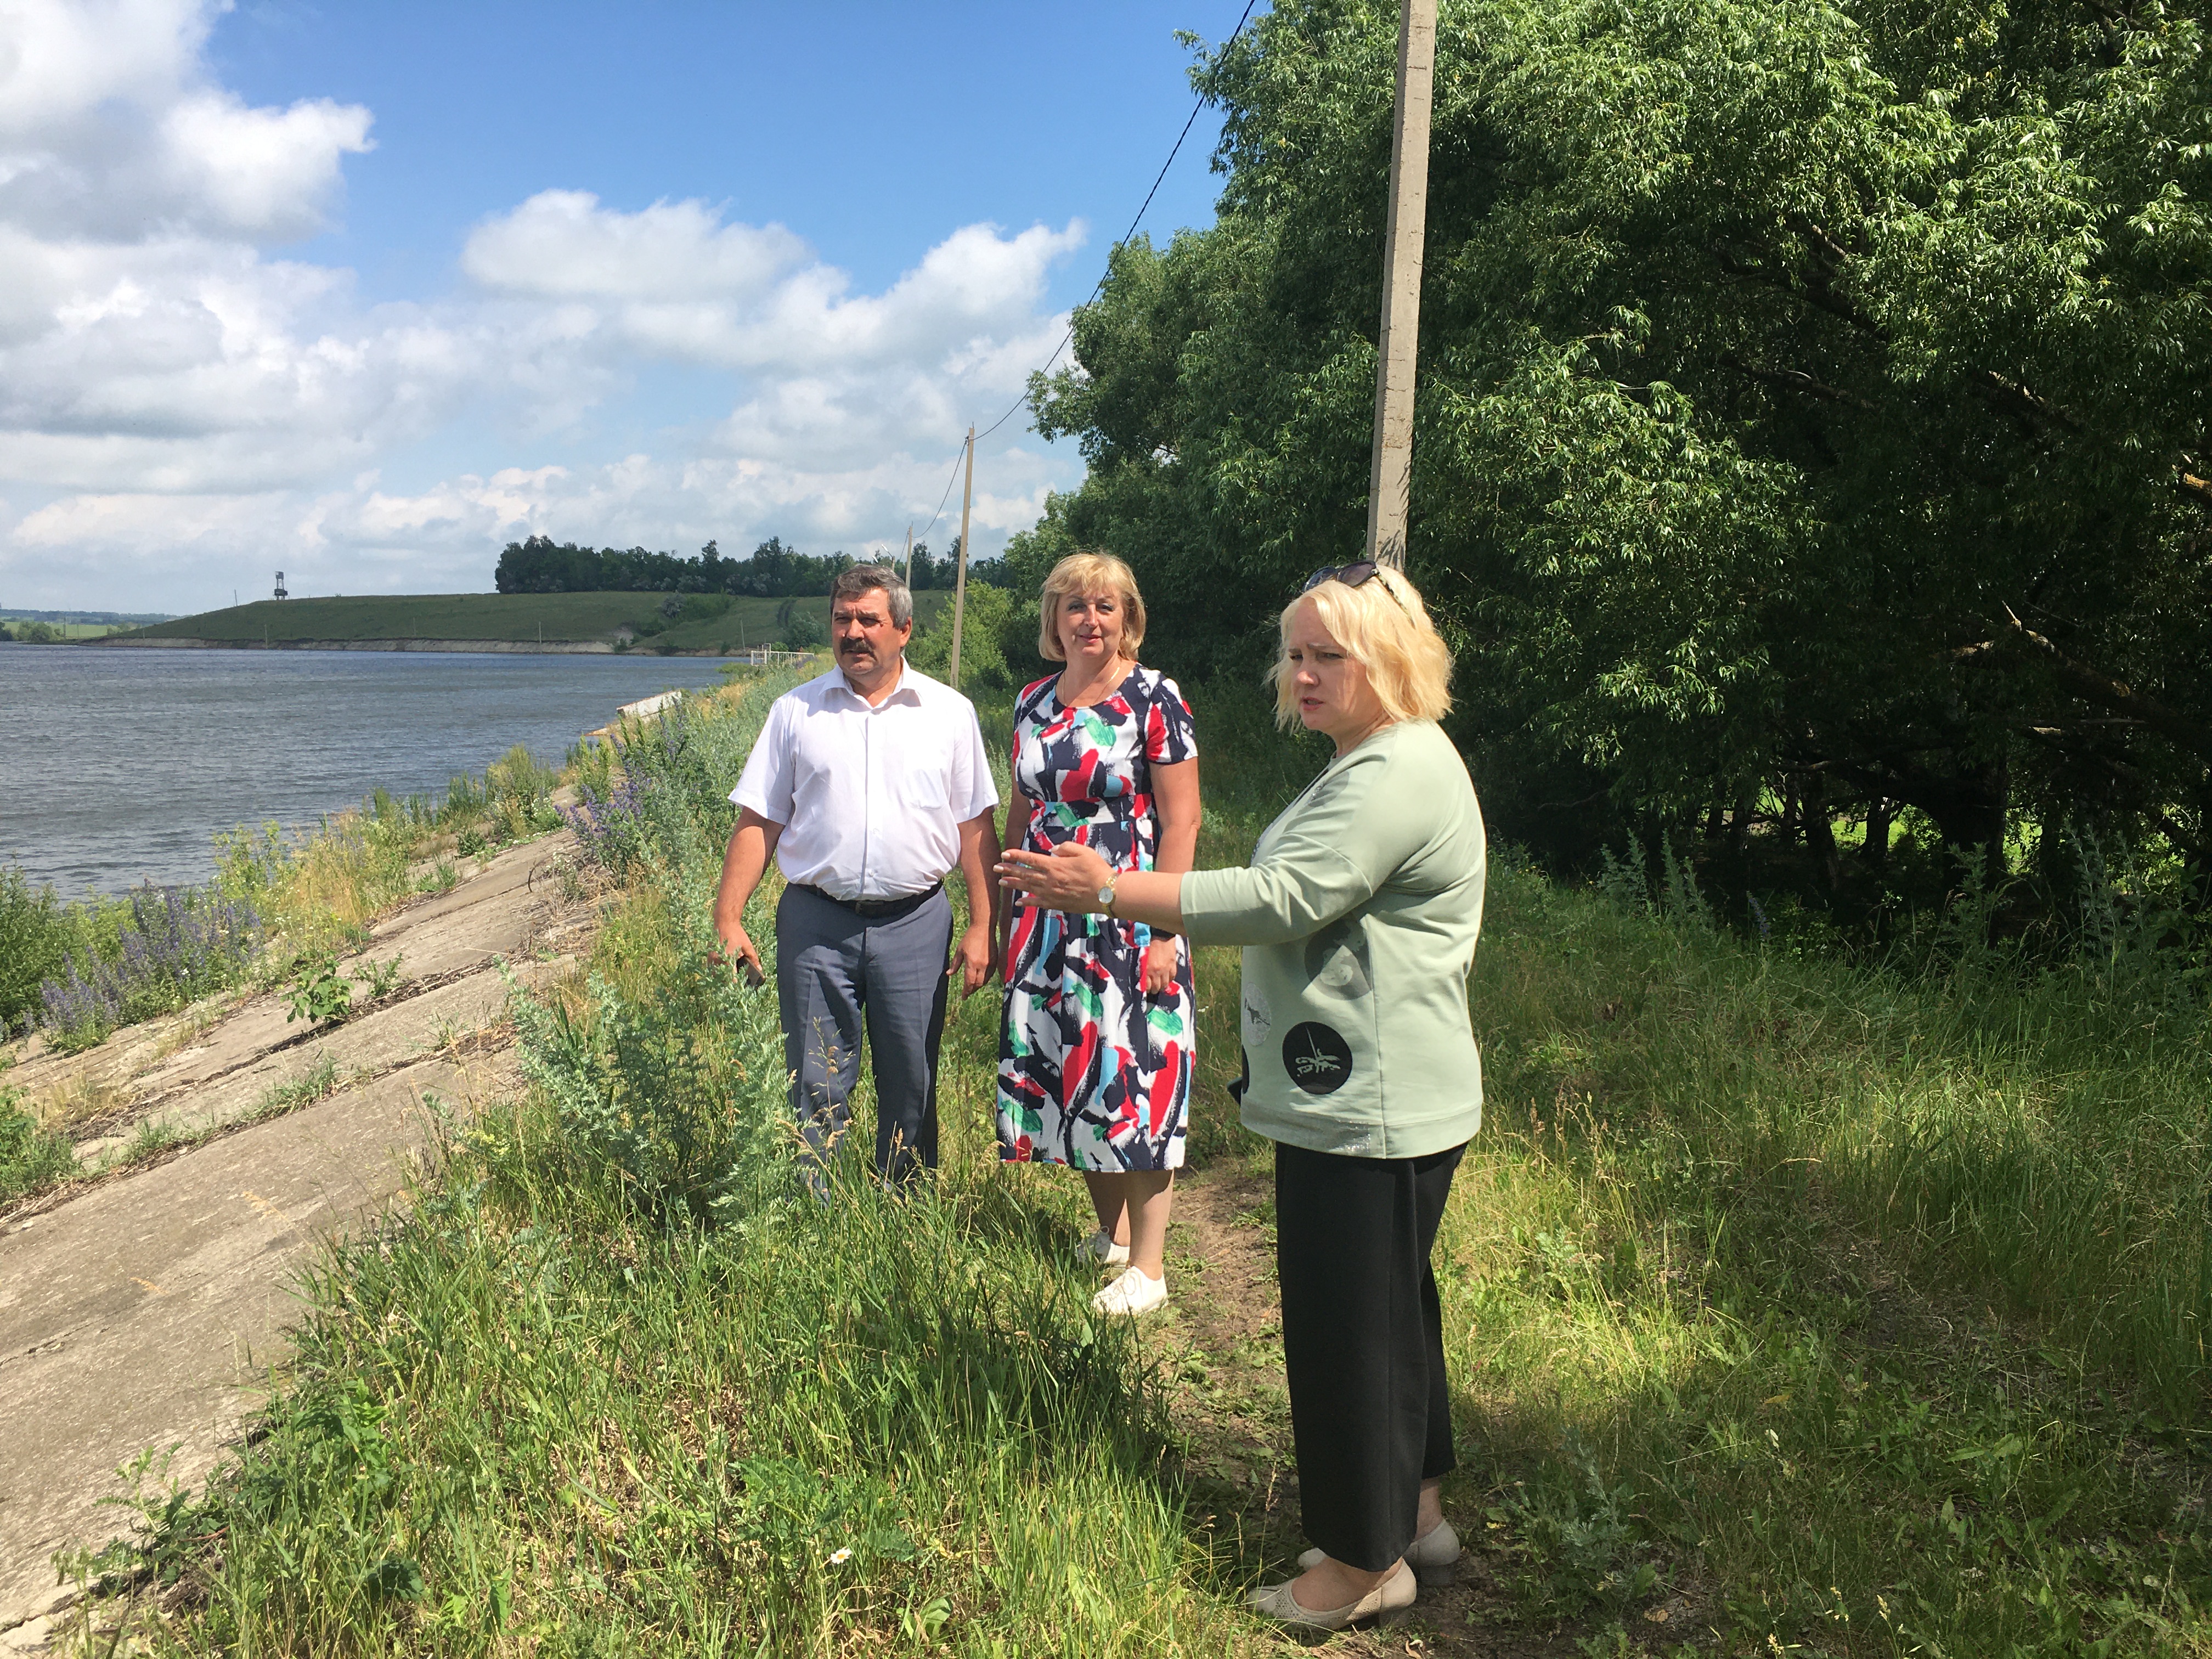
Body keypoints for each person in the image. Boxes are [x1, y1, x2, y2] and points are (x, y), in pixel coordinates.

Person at [998, 559, 1483, 1631]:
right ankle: (1415, 1513)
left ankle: (1363, 1567)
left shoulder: (1394, 769)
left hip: (1372, 1107)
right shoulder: (1379, 755)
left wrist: (1111, 890)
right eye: (1295, 654)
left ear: (1388, 659)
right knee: (1397, 1316)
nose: (1301, 675)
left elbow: (1284, 896)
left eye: (1327, 656)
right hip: (1378, 1095)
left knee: (1349, 1330)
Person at [713, 563, 1000, 1185]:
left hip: (917, 922)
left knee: (912, 1076)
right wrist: (728, 917)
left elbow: (976, 829)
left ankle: (905, 1206)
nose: (854, 632)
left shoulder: (948, 714)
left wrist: (983, 926)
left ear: (904, 629)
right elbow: (758, 822)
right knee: (814, 1077)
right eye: (843, 619)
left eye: (869, 619)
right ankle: (814, 1211)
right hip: (815, 923)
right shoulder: (795, 712)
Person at [995, 552, 1200, 1317]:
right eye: (1076, 606)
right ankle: (1111, 1234)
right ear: (1054, 620)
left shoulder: (1154, 698)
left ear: (1128, 619)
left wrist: (1163, 932)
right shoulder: (1030, 703)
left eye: (1106, 607)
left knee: (1137, 1079)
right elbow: (1021, 814)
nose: (1091, 620)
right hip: (1048, 921)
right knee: (1075, 1071)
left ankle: (1149, 1268)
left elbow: (1182, 819)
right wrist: (1011, 909)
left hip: (1129, 911)